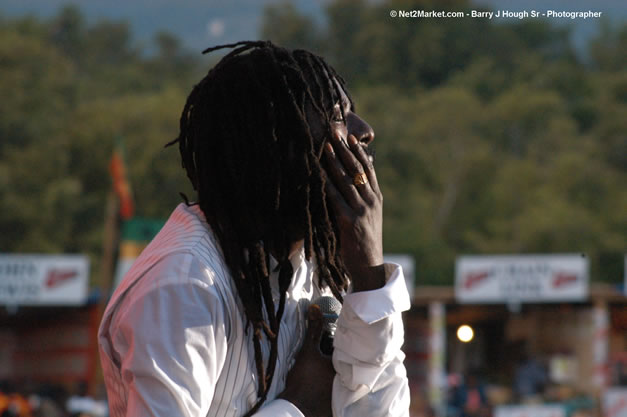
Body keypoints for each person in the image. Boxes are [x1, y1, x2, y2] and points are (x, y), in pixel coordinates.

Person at [98, 40, 411, 417]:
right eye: (336, 115)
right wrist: (295, 405)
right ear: (273, 142)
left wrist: (370, 278)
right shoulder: (184, 284)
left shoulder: (323, 266)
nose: (365, 131)